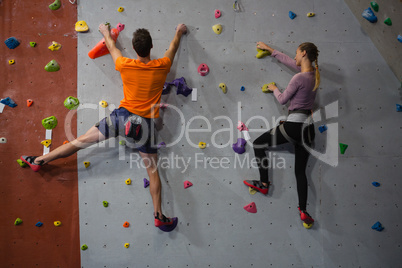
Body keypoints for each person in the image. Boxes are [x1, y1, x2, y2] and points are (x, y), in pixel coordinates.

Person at [21, 23, 188, 229]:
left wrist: (105, 32)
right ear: (151, 47)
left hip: (121, 118)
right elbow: (173, 47)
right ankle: (158, 215)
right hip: (144, 125)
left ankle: (39, 160)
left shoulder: (124, 64)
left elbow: (111, 47)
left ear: (135, 49)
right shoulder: (162, 65)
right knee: (153, 172)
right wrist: (178, 31)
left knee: (80, 141)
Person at [244, 41, 320, 226]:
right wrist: (271, 50)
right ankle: (303, 210)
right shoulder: (314, 75)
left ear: (303, 53)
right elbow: (291, 63)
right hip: (308, 130)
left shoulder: (298, 79)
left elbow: (283, 100)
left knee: (258, 144)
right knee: (300, 172)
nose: (294, 57)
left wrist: (274, 89)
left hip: (293, 126)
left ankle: (263, 184)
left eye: (296, 53)